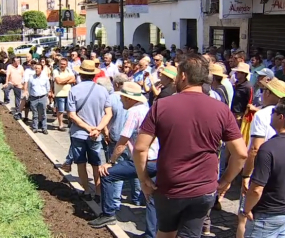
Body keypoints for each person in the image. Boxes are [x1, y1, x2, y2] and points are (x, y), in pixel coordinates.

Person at [134, 53, 248, 238]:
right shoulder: (221, 109)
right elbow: (241, 153)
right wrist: (225, 181)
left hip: (170, 186)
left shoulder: (161, 105)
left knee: (165, 233)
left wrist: (144, 179)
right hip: (204, 189)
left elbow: (140, 148)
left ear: (184, 76)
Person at [90, 82, 158, 238]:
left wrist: (111, 162)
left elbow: (122, 141)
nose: (120, 101)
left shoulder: (133, 112)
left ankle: (108, 214)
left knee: (107, 174)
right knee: (153, 195)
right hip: (156, 159)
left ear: (130, 99)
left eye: (123, 98)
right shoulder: (146, 109)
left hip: (143, 160)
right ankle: (151, 234)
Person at [237, 77, 285, 238]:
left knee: (243, 221)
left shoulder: (268, 146)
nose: (262, 94)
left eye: (265, 90)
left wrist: (246, 175)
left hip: (266, 210)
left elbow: (255, 149)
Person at [68, 60, 112, 201]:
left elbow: (71, 114)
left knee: (80, 163)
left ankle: (86, 191)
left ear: (80, 73)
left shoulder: (74, 90)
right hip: (96, 135)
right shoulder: (102, 90)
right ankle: (98, 193)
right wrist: (97, 129)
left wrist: (87, 128)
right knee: (96, 163)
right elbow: (108, 113)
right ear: (94, 75)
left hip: (78, 133)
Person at [28, 64, 50, 134]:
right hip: (34, 98)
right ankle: (35, 127)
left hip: (42, 97)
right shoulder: (31, 78)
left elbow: (48, 88)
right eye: (36, 68)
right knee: (35, 114)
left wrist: (46, 96)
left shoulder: (45, 78)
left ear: (41, 69)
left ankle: (44, 128)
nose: (37, 70)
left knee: (43, 113)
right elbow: (29, 88)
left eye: (38, 68)